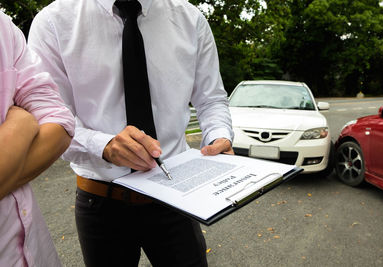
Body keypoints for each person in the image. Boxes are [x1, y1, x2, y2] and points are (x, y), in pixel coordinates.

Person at [29, 0, 234, 266]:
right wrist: (103, 145)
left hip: (176, 194)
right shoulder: (54, 22)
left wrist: (218, 136)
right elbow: (49, 120)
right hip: (102, 200)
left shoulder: (190, 18)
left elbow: (211, 99)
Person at [0, 11, 75, 266]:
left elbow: (59, 119)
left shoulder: (3, 27)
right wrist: (21, 123)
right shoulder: (52, 20)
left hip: (38, 253)